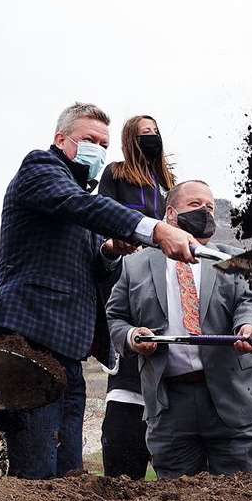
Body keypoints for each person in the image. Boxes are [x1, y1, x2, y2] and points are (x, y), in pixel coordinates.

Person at [0, 103, 197, 480]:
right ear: (60, 139)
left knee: (70, 472)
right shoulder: (42, 169)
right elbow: (77, 205)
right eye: (88, 140)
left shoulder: (81, 195)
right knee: (37, 468)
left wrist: (109, 251)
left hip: (70, 349)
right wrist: (155, 230)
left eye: (104, 143)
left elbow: (92, 260)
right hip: (29, 340)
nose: (98, 149)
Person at [107, 180, 252, 479]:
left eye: (210, 206)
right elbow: (116, 317)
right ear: (171, 213)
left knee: (245, 499)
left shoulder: (233, 259)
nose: (205, 212)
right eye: (196, 205)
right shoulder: (134, 266)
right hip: (170, 406)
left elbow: (250, 302)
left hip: (233, 399)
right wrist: (133, 337)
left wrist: (248, 326)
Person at [96, 115, 176, 479]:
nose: (152, 137)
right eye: (145, 133)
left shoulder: (168, 183)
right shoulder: (116, 173)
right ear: (131, 138)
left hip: (166, 271)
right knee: (133, 330)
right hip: (130, 267)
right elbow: (104, 215)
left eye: (156, 133)